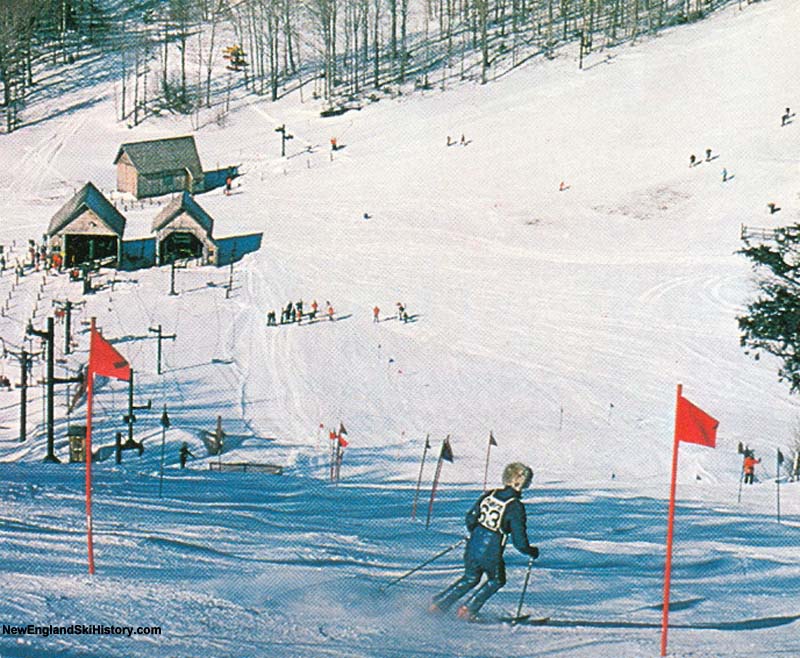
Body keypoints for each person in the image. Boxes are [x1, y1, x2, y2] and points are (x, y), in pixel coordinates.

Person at [429, 462, 539, 621]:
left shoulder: (490, 494)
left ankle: (438, 605)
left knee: (470, 577)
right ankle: (468, 609)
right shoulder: (515, 506)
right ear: (520, 482)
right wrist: (530, 551)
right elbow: (519, 541)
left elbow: (470, 518)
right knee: (496, 580)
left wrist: (476, 533)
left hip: (473, 545)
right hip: (491, 551)